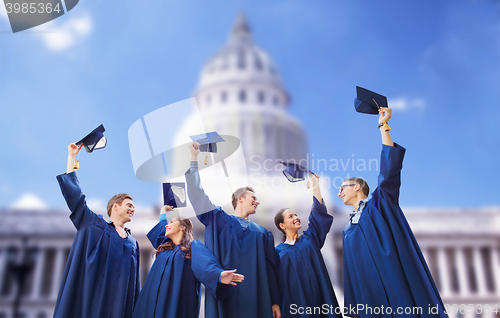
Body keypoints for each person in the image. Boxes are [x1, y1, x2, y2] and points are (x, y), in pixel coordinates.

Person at [339, 108, 447, 318]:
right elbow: (350, 271)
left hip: (396, 283)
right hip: (371, 298)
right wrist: (354, 310)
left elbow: (388, 172)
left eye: (343, 187)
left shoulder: (380, 204)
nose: (339, 192)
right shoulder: (347, 230)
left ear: (357, 187)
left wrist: (383, 127)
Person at [185, 142, 281, 318]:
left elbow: (270, 269)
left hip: (257, 298)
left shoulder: (263, 234)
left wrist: (274, 301)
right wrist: (193, 159)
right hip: (226, 295)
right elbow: (197, 194)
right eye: (253, 197)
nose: (257, 202)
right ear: (240, 199)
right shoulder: (218, 219)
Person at [54, 143, 140, 318]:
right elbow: (75, 197)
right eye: (129, 205)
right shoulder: (93, 224)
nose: (133, 209)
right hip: (90, 304)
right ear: (115, 207)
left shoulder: (133, 243)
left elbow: (134, 285)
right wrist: (72, 157)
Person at [132, 205, 244, 318]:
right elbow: (162, 228)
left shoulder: (192, 248)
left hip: (174, 303)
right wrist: (163, 211)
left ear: (182, 227)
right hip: (149, 303)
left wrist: (219, 275)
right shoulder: (164, 248)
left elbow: (205, 264)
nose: (167, 225)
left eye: (171, 222)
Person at [274, 172, 342, 318]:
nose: (296, 218)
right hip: (297, 306)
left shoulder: (310, 239)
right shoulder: (277, 253)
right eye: (290, 216)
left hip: (321, 298)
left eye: (296, 215)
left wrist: (316, 185)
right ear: (282, 225)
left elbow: (318, 215)